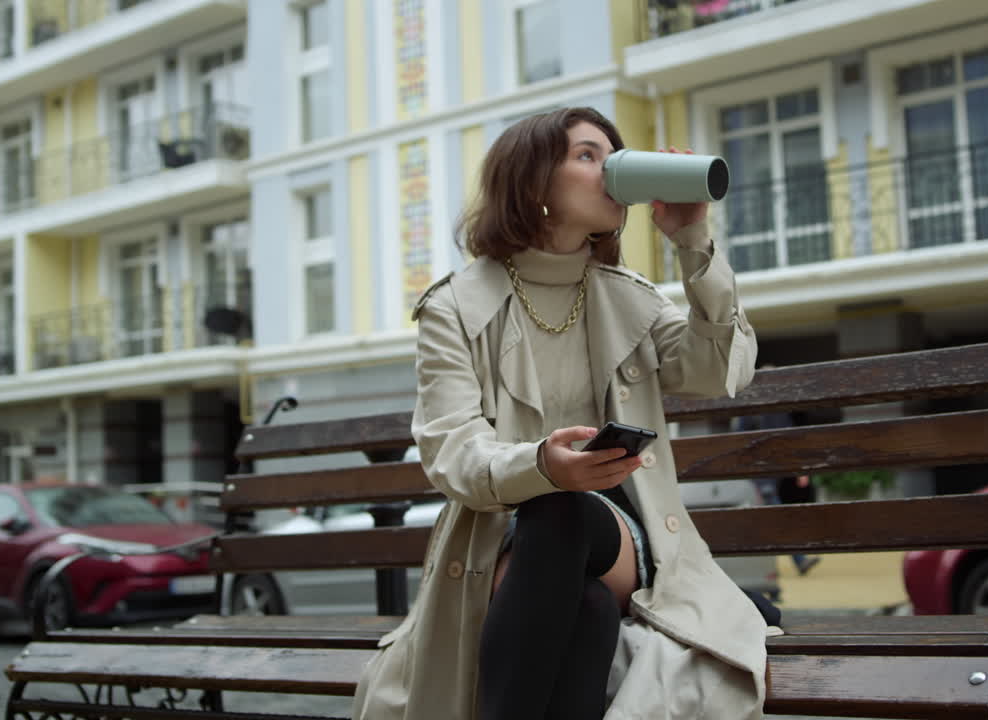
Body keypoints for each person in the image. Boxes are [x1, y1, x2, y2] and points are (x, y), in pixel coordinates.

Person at [351, 107, 765, 720]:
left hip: (618, 536)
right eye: (588, 155)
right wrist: (542, 466)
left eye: (613, 156)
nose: (611, 170)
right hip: (501, 542)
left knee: (559, 512)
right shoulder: (455, 308)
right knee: (586, 607)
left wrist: (692, 241)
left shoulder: (631, 297)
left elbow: (721, 369)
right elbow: (451, 450)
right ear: (532, 180)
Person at [732, 402, 821, 576]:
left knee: (771, 518)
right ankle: (797, 561)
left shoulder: (775, 410)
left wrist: (799, 469)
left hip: (771, 470)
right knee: (775, 516)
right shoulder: (753, 410)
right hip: (760, 473)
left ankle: (785, 563)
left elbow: (789, 439)